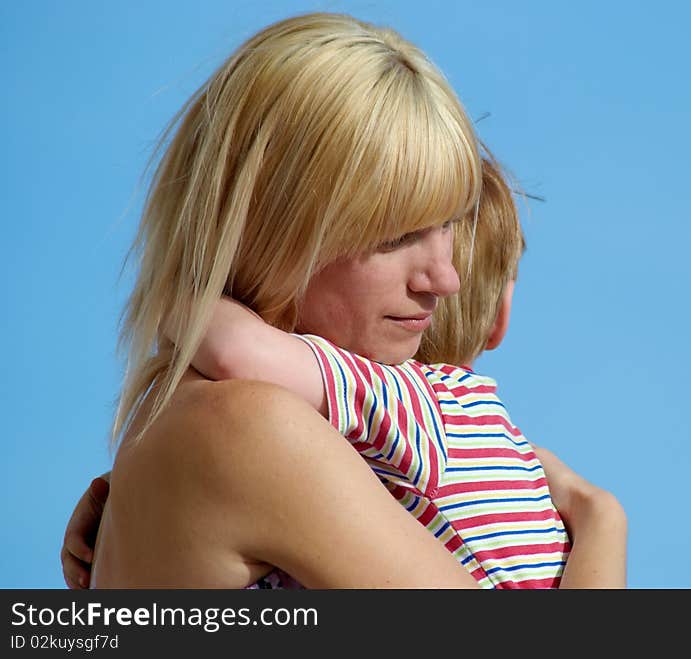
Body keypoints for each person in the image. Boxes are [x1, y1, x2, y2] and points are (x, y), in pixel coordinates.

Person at [62, 12, 627, 589]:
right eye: (396, 235)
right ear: (267, 230)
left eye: (449, 224)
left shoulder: (195, 428)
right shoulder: (248, 427)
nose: (444, 279)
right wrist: (599, 517)